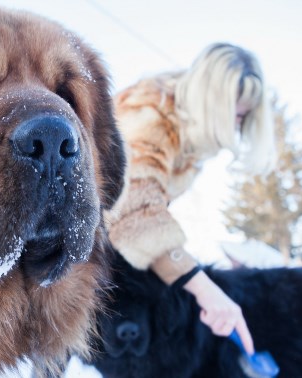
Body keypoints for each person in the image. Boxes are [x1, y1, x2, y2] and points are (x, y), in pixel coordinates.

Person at [106, 43, 275, 355]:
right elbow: (130, 209)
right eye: (236, 114)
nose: (239, 123)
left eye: (244, 116)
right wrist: (204, 289)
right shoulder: (149, 117)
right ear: (212, 104)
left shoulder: (189, 136)